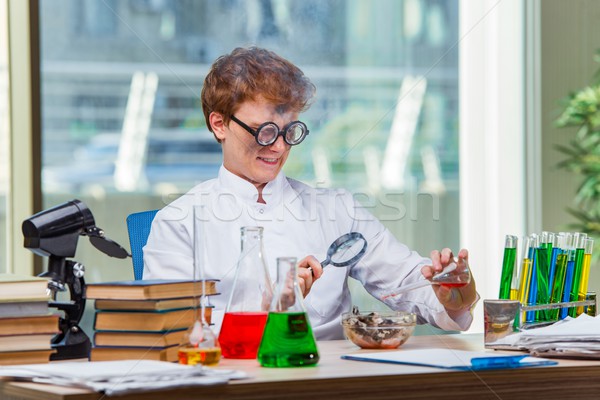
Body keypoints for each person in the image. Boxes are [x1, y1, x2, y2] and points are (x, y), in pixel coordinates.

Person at [143, 46, 478, 339]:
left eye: (290, 131)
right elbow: (169, 333)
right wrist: (272, 309)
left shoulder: (336, 209)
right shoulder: (179, 222)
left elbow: (405, 281)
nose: (278, 146)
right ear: (219, 124)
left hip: (329, 379)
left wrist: (452, 294)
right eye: (264, 132)